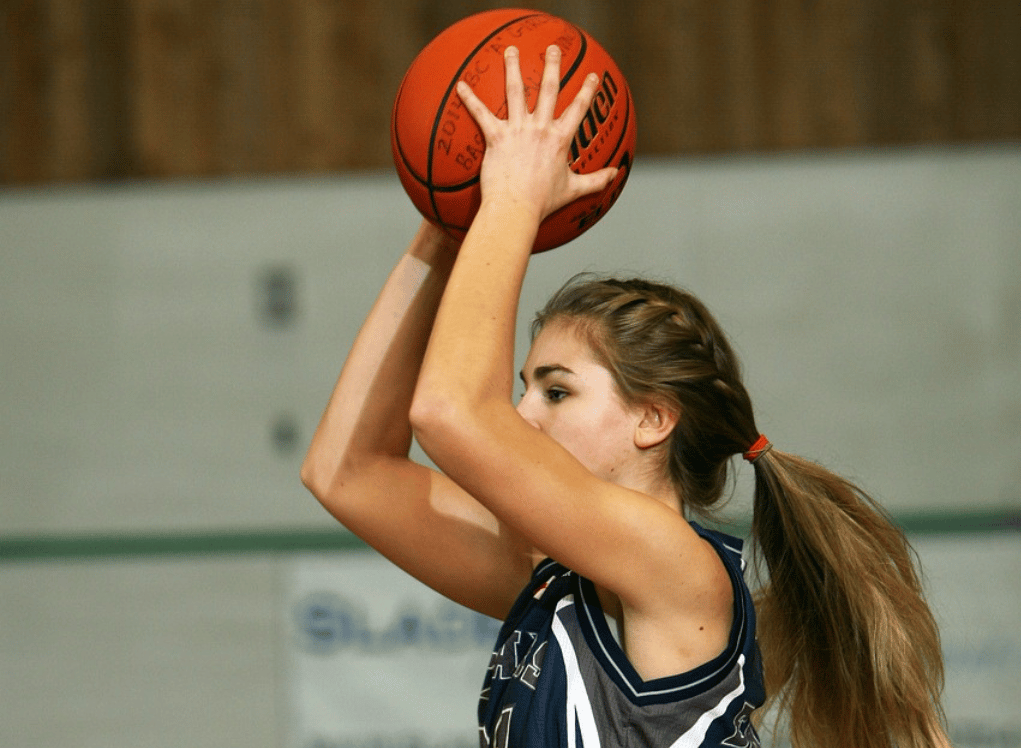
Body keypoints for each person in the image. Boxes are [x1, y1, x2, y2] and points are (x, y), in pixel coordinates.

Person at [302, 44, 950, 748]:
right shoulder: (560, 579)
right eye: (527, 387)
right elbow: (347, 472)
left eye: (556, 391)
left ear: (652, 419)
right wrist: (449, 223)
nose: (523, 414)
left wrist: (513, 198)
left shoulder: (672, 565)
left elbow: (452, 414)